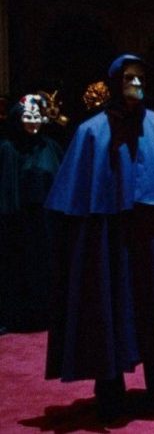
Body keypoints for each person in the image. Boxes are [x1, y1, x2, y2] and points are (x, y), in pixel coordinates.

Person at [45, 54, 154, 422]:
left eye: (140, 78)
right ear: (114, 83)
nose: (135, 84)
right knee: (109, 308)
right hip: (109, 239)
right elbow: (76, 199)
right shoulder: (91, 132)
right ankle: (110, 390)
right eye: (128, 78)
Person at [0, 94, 62, 331]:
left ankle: (45, 315)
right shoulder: (7, 149)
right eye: (28, 116)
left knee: (44, 267)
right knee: (17, 268)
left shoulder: (51, 147)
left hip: (46, 224)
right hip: (17, 224)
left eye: (37, 117)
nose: (33, 121)